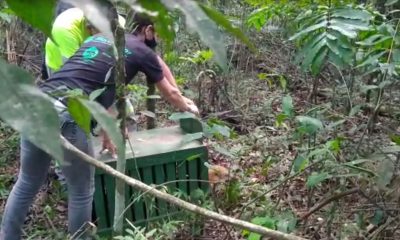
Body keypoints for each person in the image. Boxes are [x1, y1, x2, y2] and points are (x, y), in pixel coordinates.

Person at [0, 14, 199, 239]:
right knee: (82, 190)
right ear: (147, 30)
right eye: (158, 34)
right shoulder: (144, 52)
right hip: (66, 112)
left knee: (27, 182)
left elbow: (98, 86)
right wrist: (189, 107)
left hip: (36, 104)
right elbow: (171, 93)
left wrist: (107, 132)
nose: (158, 40)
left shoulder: (96, 40)